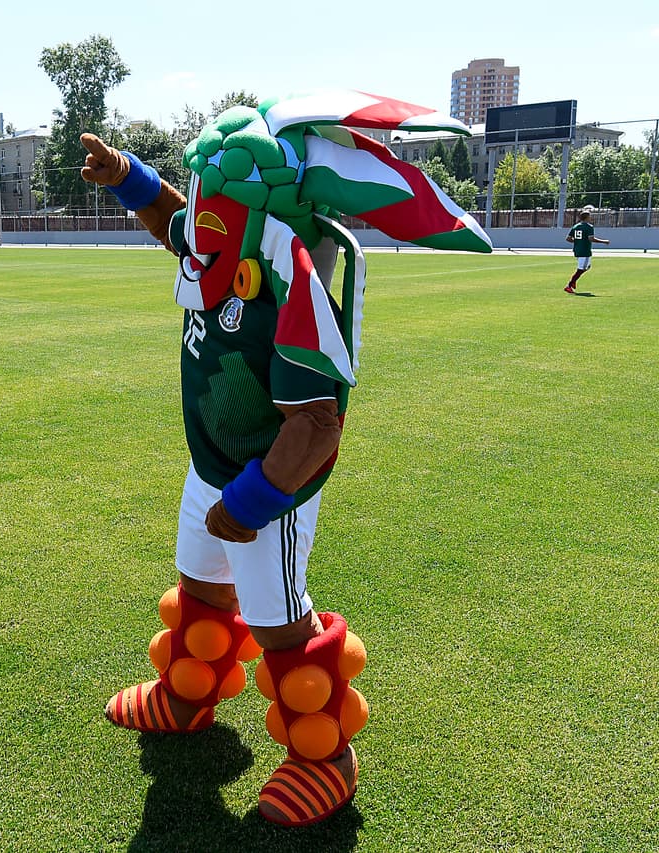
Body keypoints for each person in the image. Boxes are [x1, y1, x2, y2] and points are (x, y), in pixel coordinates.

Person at [78, 91, 491, 827]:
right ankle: (187, 695)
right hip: (210, 465)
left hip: (269, 488)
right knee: (200, 589)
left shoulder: (292, 287)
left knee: (277, 623)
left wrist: (252, 500)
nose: (197, 213)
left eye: (216, 196)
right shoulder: (220, 244)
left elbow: (318, 426)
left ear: (261, 212)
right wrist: (127, 176)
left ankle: (325, 756)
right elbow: (178, 222)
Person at [565, 207, 609, 293]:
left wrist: (578, 242)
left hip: (577, 250)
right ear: (586, 218)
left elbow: (568, 238)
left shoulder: (576, 226)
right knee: (581, 269)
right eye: (590, 216)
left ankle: (573, 281)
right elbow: (591, 239)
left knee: (587, 267)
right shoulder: (589, 227)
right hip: (584, 250)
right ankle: (569, 285)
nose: (591, 218)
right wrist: (604, 241)